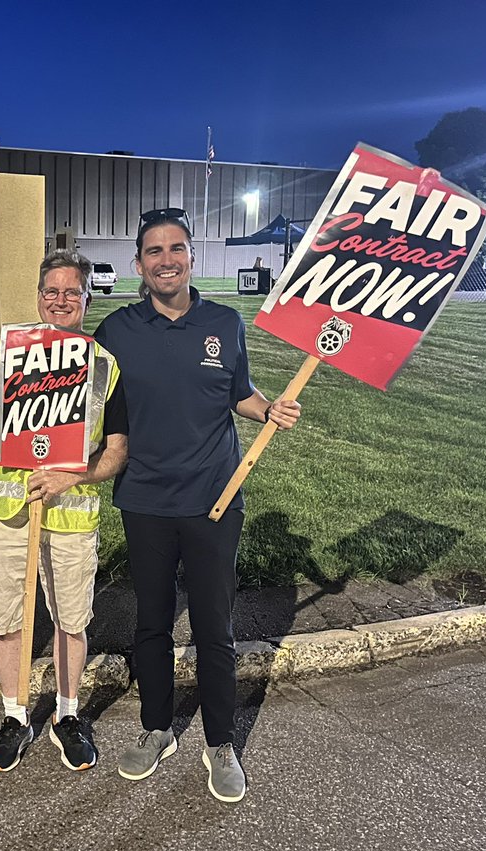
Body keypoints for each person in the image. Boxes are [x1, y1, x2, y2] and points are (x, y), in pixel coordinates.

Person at [93, 208, 301, 802]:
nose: (166, 259)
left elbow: (240, 393)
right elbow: (71, 385)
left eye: (176, 248)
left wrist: (269, 409)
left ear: (191, 257)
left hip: (216, 497)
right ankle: (157, 728)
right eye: (154, 251)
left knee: (214, 626)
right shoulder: (117, 331)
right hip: (146, 499)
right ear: (139, 264)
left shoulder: (226, 323)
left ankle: (219, 742)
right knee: (152, 622)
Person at [0, 249, 127, 772]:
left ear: (86, 299)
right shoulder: (7, 355)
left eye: (71, 292)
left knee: (71, 623)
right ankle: (14, 715)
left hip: (72, 519)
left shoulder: (104, 366)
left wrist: (70, 475)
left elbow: (117, 450)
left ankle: (68, 715)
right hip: (8, 517)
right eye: (51, 291)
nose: (60, 300)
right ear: (38, 297)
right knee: (6, 620)